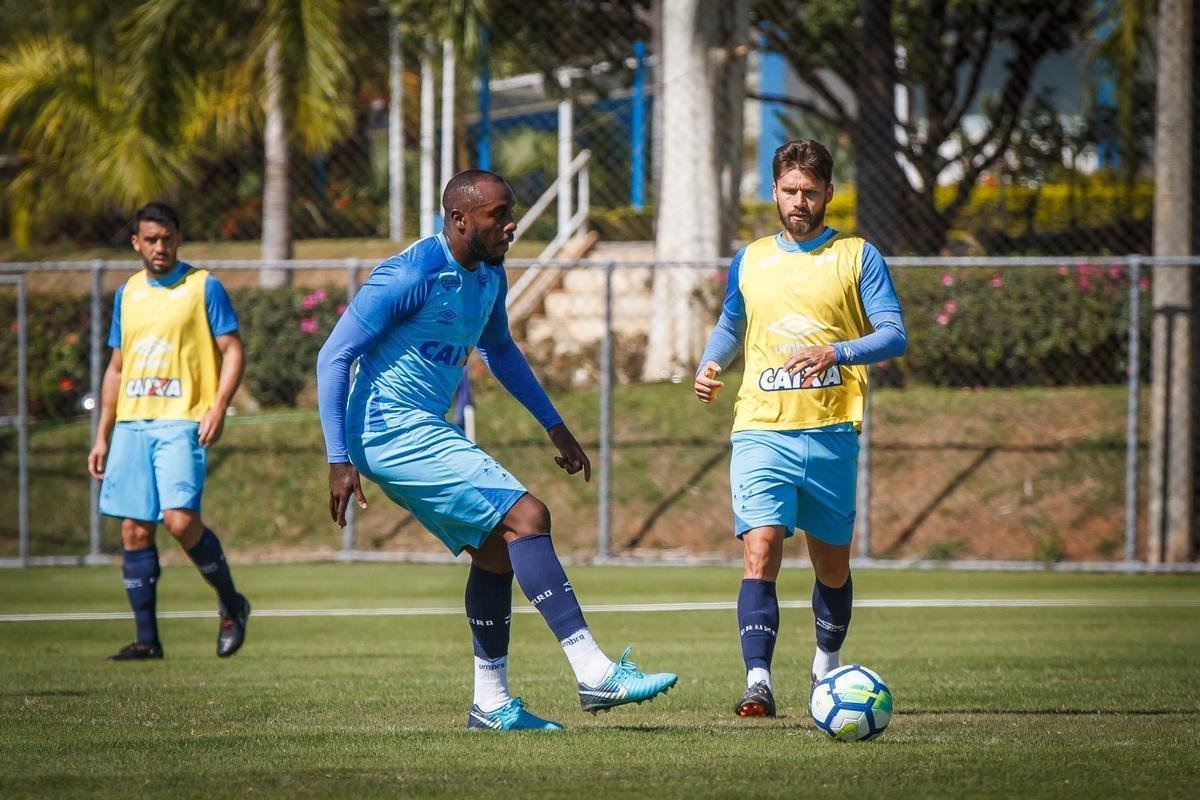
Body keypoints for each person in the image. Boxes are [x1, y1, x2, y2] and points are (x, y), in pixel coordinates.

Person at [316, 169, 677, 731]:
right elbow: (333, 356)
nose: (512, 225)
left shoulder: (489, 274)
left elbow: (501, 350)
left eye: (512, 212)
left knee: (495, 552)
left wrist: (555, 426)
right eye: (499, 215)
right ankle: (594, 671)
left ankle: (490, 703)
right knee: (528, 517)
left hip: (418, 427)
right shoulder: (412, 273)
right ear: (459, 220)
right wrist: (338, 458)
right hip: (388, 429)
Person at [693, 139, 907, 718]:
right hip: (760, 428)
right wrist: (710, 363)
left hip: (831, 430)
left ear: (829, 193)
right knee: (760, 548)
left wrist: (836, 352)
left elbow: (894, 334)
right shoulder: (750, 259)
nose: (799, 201)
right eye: (789, 190)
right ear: (774, 191)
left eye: (810, 191)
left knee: (831, 567)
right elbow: (730, 324)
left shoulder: (858, 256)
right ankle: (758, 682)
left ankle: (826, 666)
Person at [88, 201, 250, 661]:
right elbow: (116, 367)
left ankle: (232, 604)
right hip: (132, 423)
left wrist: (218, 406)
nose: (159, 247)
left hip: (182, 419)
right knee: (135, 531)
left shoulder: (203, 286)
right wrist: (102, 433)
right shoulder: (127, 293)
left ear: (178, 239)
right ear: (136, 243)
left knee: (179, 521)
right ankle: (147, 641)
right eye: (150, 240)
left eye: (166, 239)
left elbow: (232, 350)